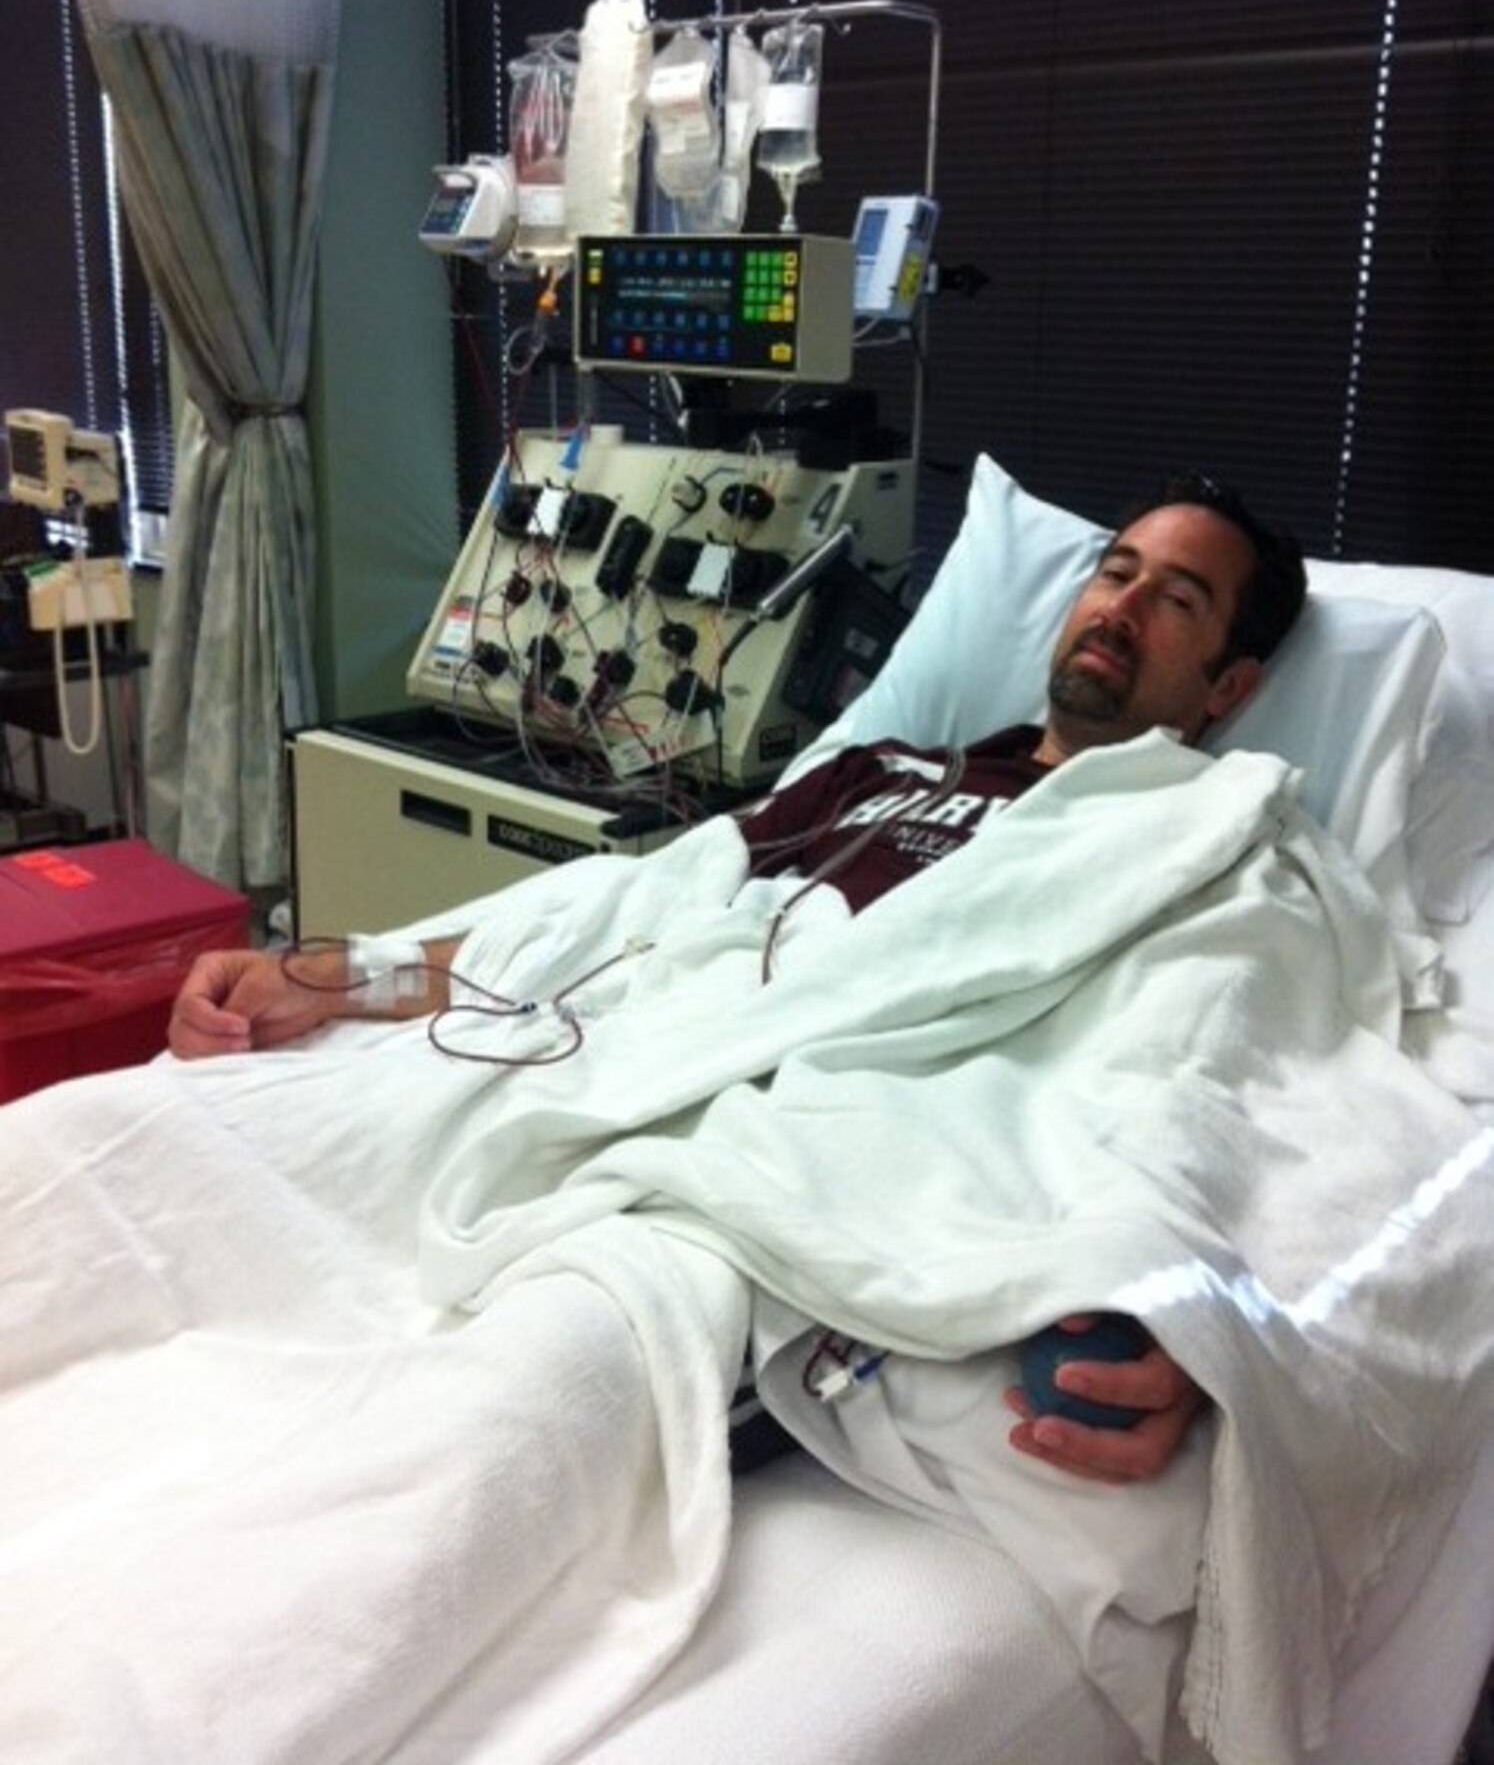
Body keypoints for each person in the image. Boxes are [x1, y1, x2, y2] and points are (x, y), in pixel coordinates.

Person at [168, 470, 1307, 1490]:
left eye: (1179, 599)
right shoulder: (886, 768)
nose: (1122, 605)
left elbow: (1215, 1051)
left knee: (479, 1426)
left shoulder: (1193, 835)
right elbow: (620, 910)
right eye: (1118, 570)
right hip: (611, 1048)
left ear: (1228, 685)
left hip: (783, 1142)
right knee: (149, 1154)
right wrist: (335, 977)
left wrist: (1195, 1289)